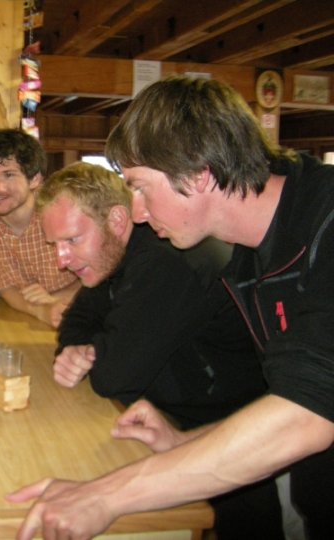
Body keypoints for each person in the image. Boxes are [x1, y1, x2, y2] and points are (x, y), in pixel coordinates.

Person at [8, 76, 334, 540]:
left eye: (140, 187)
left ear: (198, 174)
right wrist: (186, 441)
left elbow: (306, 415)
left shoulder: (324, 221)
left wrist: (107, 495)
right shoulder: (246, 250)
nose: (136, 213)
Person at [38, 161, 282, 538]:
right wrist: (74, 349)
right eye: (54, 245)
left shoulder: (168, 260)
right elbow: (78, 319)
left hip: (233, 441)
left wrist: (95, 353)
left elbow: (114, 376)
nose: (61, 259)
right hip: (166, 425)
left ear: (118, 222)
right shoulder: (111, 255)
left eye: (71, 240)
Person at [0, 128, 80, 327]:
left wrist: (57, 298)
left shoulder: (65, 211)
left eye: (8, 175)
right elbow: (4, 288)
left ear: (35, 179)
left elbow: (102, 272)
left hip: (86, 308)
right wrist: (41, 310)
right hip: (28, 318)